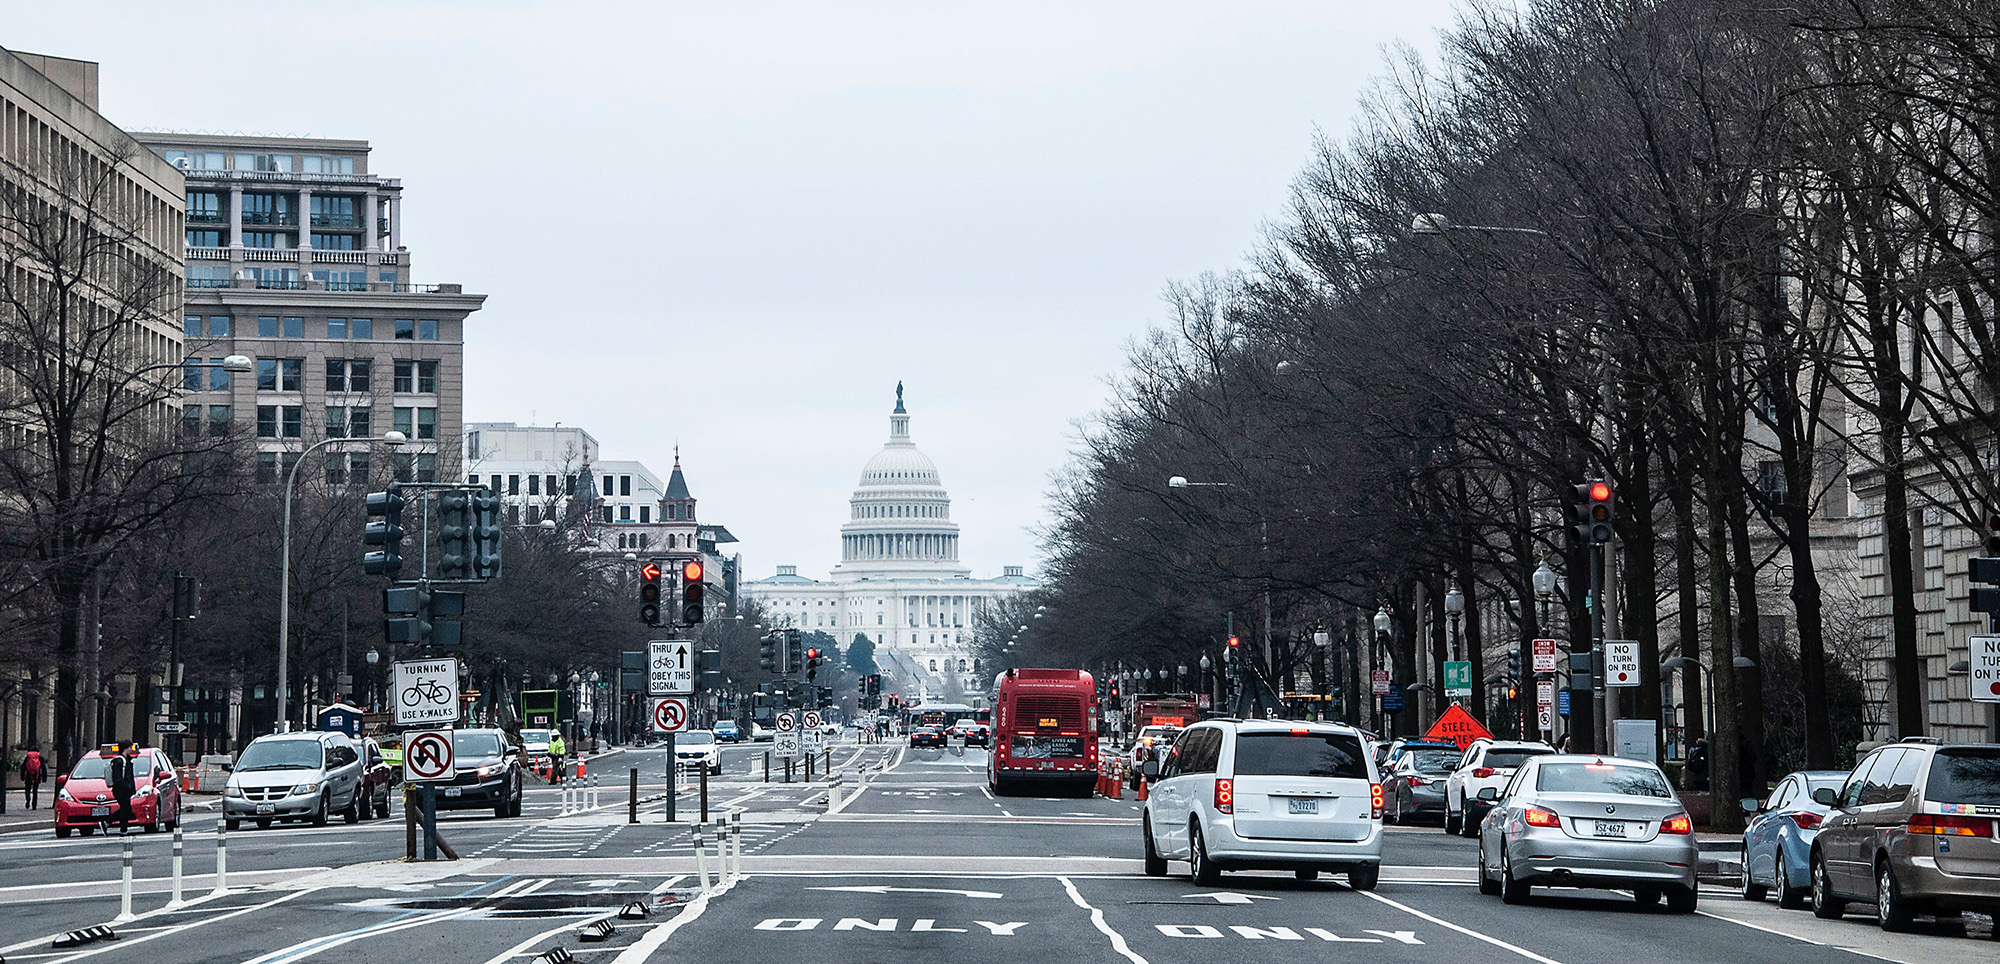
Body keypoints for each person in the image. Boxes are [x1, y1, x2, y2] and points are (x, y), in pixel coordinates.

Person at [108, 744, 138, 833]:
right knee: (126, 809)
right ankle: (108, 822)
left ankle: (122, 829)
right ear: (125, 749)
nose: (131, 750)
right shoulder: (119, 761)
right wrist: (126, 786)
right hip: (120, 790)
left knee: (126, 809)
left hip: (125, 789)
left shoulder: (126, 760)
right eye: (129, 748)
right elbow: (117, 777)